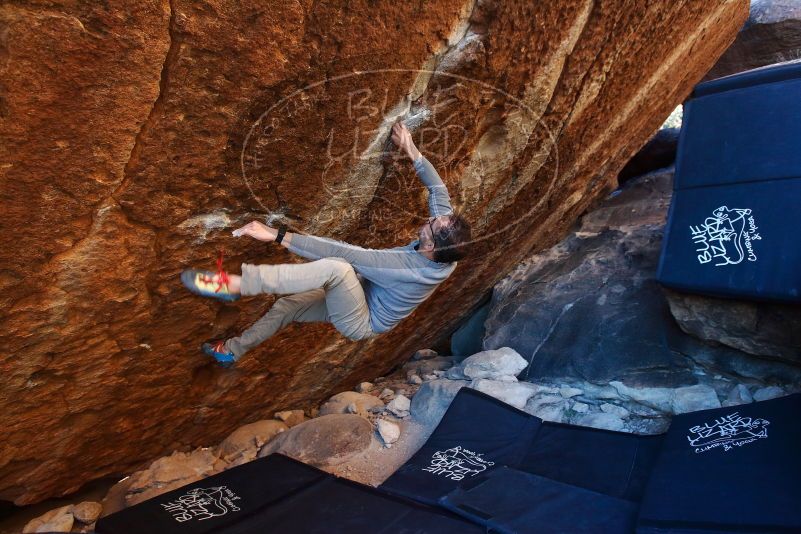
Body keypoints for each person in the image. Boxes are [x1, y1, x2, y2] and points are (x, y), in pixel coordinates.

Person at [181, 120, 471, 367]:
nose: (431, 219)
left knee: (337, 268)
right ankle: (230, 351)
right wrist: (411, 149)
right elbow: (437, 189)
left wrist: (277, 235)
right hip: (361, 293)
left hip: (361, 319)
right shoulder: (445, 248)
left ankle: (235, 285)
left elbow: (342, 253)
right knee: (288, 307)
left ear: (432, 247)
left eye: (432, 225)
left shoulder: (409, 269)